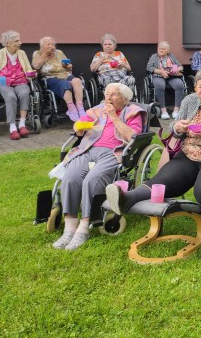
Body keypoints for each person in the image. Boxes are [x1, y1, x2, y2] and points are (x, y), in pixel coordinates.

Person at [105, 69, 201, 251]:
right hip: (189, 154)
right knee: (163, 181)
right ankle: (127, 199)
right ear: (195, 87)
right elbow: (174, 125)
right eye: (200, 87)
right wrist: (178, 127)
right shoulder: (190, 101)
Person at [51, 83, 145, 251]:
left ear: (124, 99)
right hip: (88, 149)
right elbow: (78, 125)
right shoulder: (96, 110)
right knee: (71, 177)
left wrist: (114, 117)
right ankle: (70, 226)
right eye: (107, 94)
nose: (108, 97)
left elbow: (133, 136)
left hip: (113, 152)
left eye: (114, 94)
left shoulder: (132, 112)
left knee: (92, 180)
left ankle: (84, 226)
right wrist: (78, 129)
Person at [0, 30, 34, 140]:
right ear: (8, 43)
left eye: (19, 40)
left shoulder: (22, 53)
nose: (20, 43)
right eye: (17, 41)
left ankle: (22, 124)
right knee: (11, 96)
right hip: (3, 82)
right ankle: (12, 127)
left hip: (20, 81)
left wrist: (30, 73)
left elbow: (28, 68)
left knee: (25, 92)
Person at [32, 36, 86, 121]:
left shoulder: (59, 52)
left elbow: (68, 67)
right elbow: (36, 66)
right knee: (64, 83)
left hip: (65, 74)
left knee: (77, 80)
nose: (51, 46)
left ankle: (80, 107)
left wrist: (68, 66)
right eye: (48, 44)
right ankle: (72, 109)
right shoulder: (37, 54)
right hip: (50, 77)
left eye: (52, 44)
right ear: (42, 46)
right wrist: (45, 55)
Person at [146, 41, 186, 120]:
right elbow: (149, 68)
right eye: (159, 48)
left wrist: (175, 70)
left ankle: (176, 110)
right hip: (158, 76)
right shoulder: (154, 56)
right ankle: (163, 110)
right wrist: (161, 72)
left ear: (168, 51)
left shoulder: (171, 56)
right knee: (160, 86)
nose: (161, 50)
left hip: (172, 76)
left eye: (163, 49)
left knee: (179, 85)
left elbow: (180, 66)